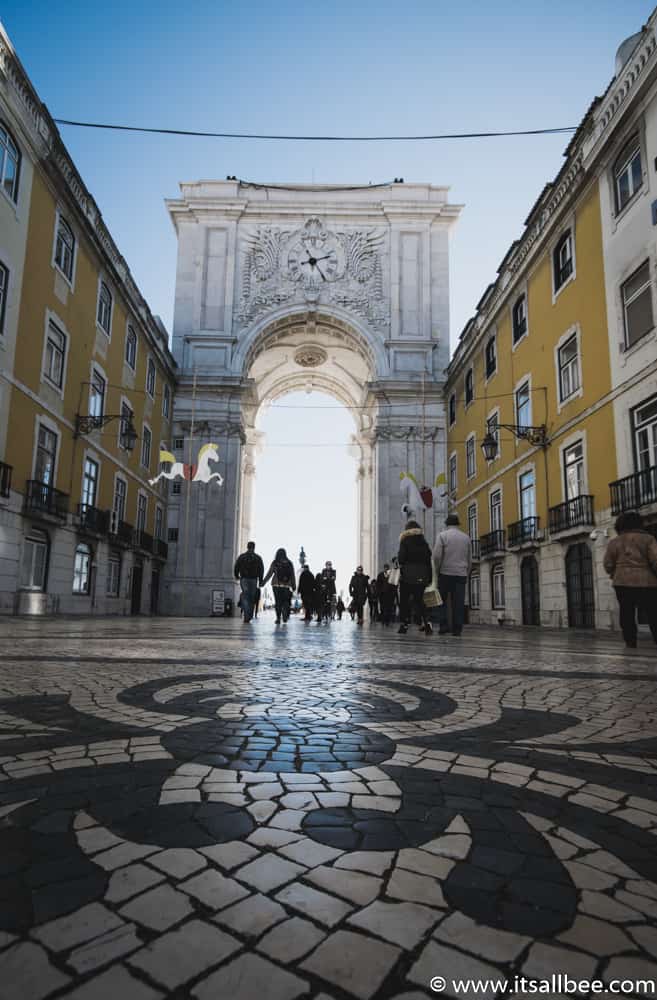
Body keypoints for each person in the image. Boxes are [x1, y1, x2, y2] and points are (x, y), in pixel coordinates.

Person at [603, 510, 657, 649]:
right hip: (647, 581)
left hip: (622, 582)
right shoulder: (649, 539)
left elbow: (608, 564)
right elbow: (656, 560)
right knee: (653, 612)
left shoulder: (614, 542)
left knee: (626, 612)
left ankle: (630, 642)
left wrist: (615, 572)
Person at [433, 513, 472, 637]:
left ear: (447, 524)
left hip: (445, 573)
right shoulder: (466, 538)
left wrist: (437, 570)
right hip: (461, 574)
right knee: (458, 603)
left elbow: (437, 556)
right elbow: (469, 558)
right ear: (457, 524)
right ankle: (457, 629)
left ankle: (443, 626)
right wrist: (467, 572)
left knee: (441, 601)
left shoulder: (442, 536)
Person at [397, 520, 433, 635]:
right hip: (422, 575)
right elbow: (428, 561)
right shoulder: (424, 542)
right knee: (420, 601)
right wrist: (429, 578)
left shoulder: (405, 541)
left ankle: (404, 624)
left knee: (405, 601)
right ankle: (427, 623)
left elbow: (401, 559)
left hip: (408, 575)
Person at [262, 547, 297, 624]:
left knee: (278, 602)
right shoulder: (289, 563)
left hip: (276, 584)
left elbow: (269, 573)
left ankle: (278, 618)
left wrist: (263, 582)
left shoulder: (275, 562)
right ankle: (284, 615)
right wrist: (294, 586)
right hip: (286, 586)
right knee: (285, 601)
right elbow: (292, 575)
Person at [234, 541, 264, 623]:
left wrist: (236, 575)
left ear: (247, 547)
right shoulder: (258, 558)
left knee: (246, 594)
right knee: (251, 597)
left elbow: (236, 566)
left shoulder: (242, 557)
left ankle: (247, 613)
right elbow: (261, 570)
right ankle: (248, 614)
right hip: (253, 579)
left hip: (244, 579)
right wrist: (261, 580)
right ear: (254, 547)